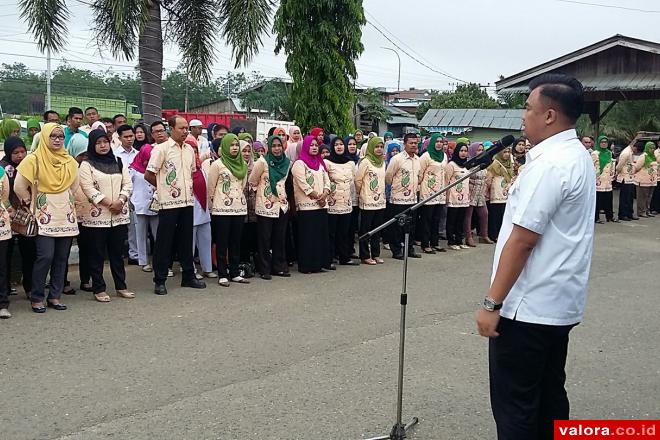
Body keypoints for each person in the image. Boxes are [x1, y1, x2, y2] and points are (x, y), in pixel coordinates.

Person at [476, 73, 595, 440]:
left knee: (517, 408)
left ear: (549, 116)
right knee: (548, 398)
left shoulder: (550, 164)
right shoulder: (576, 156)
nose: (522, 117)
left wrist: (491, 302)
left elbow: (522, 241)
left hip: (527, 310)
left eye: (528, 108)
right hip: (556, 305)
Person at [15, 122, 80, 313]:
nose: (58, 140)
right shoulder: (33, 160)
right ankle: (36, 297)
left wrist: (64, 199)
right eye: (53, 136)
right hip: (44, 213)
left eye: (60, 136)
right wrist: (30, 202)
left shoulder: (70, 161)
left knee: (62, 257)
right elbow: (19, 186)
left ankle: (55, 296)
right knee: (45, 256)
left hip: (65, 215)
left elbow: (75, 186)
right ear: (44, 137)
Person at [145, 117, 206, 295]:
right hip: (168, 203)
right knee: (165, 241)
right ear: (171, 128)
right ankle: (160, 279)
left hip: (187, 202)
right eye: (181, 128)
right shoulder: (161, 149)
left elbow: (192, 173)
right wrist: (164, 188)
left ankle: (188, 276)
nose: (185, 131)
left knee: (186, 240)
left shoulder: (188, 149)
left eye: (187, 128)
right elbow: (149, 175)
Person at [78, 129, 134, 302]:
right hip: (97, 217)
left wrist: (121, 200)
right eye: (98, 143)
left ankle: (121, 286)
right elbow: (88, 188)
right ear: (92, 145)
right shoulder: (87, 165)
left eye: (105, 142)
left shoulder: (118, 161)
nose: (102, 146)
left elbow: (127, 183)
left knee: (117, 253)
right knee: (96, 254)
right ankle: (99, 288)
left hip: (118, 215)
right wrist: (110, 203)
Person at [207, 133, 249, 286]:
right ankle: (222, 274)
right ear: (225, 146)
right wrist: (215, 203)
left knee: (236, 242)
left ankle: (235, 272)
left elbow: (242, 184)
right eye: (231, 145)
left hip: (238, 208)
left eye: (236, 145)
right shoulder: (217, 165)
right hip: (221, 209)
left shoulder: (243, 165)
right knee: (222, 242)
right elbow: (211, 187)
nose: (234, 148)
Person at [248, 135, 291, 279]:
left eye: (279, 145)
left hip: (281, 205)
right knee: (264, 238)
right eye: (274, 146)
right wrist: (263, 195)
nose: (277, 149)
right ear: (269, 147)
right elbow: (252, 181)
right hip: (265, 205)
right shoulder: (262, 162)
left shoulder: (287, 163)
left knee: (279, 238)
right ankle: (264, 269)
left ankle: (279, 266)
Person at [1, 137, 36, 301]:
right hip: (7, 217)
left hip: (26, 215)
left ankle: (30, 287)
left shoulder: (29, 167)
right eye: (16, 153)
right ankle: (5, 288)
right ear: (9, 152)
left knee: (29, 252)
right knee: (5, 255)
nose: (20, 155)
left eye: (23, 151)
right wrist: (10, 210)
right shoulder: (3, 169)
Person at [291, 135, 331, 273]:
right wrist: (316, 196)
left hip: (321, 204)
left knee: (320, 235)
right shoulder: (299, 163)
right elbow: (302, 183)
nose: (314, 147)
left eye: (316, 145)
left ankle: (319, 264)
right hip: (307, 206)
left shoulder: (320, 163)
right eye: (311, 145)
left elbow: (327, 180)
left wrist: (325, 194)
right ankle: (307, 265)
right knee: (308, 236)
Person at [385, 133, 421, 260]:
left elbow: (419, 177)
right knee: (397, 227)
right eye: (411, 143)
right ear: (405, 144)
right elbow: (388, 176)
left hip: (412, 198)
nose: (413, 145)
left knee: (411, 226)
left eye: (415, 143)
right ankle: (396, 250)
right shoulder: (397, 159)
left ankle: (409, 249)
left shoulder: (418, 159)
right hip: (398, 198)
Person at [325, 136, 358, 266]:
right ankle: (331, 257)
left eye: (341, 144)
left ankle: (344, 257)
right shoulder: (327, 162)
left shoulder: (350, 163)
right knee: (331, 232)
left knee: (344, 232)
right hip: (333, 202)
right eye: (336, 145)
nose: (339, 147)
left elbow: (354, 181)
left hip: (347, 201)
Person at [185, 135, 215, 280]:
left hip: (203, 211)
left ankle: (207, 268)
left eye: (195, 151)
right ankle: (190, 270)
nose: (194, 154)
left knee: (205, 240)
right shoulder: (183, 170)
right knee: (189, 244)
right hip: (189, 211)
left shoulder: (201, 168)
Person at [69, 134, 93, 293]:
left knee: (87, 249)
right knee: (62, 252)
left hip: (86, 213)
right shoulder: (65, 166)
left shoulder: (91, 166)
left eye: (86, 154)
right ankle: (63, 282)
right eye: (81, 155)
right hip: (68, 214)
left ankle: (85, 280)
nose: (84, 158)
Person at [356, 136, 386, 265]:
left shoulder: (382, 162)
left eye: (381, 147)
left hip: (380, 200)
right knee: (366, 229)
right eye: (376, 147)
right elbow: (358, 180)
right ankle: (364, 255)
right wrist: (362, 193)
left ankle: (376, 254)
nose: (379, 149)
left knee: (377, 229)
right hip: (367, 199)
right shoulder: (365, 162)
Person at [129, 144, 158, 272]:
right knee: (140, 234)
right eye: (146, 158)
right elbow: (128, 186)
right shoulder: (133, 169)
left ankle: (159, 259)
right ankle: (143, 261)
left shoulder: (156, 167)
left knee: (158, 234)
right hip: (139, 204)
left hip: (155, 205)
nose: (147, 161)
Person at [114, 124, 140, 264]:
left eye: (132, 136)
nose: (130, 139)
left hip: (136, 194)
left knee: (135, 226)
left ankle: (134, 254)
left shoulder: (138, 154)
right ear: (119, 138)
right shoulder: (115, 155)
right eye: (126, 137)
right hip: (120, 195)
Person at [418, 133, 447, 254]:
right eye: (437, 141)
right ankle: (425, 244)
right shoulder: (426, 156)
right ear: (432, 142)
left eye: (441, 141)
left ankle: (435, 243)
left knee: (436, 219)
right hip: (428, 192)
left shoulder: (444, 156)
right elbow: (420, 173)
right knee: (426, 219)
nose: (439, 144)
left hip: (440, 192)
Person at [464, 142, 491, 247]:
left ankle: (484, 235)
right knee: (468, 216)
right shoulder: (469, 163)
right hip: (471, 191)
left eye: (482, 150)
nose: (480, 152)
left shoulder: (483, 162)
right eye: (478, 150)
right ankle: (468, 237)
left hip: (480, 192)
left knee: (484, 214)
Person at [444, 142, 470, 250]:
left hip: (464, 197)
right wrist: (446, 196)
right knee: (452, 220)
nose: (463, 153)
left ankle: (459, 240)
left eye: (465, 151)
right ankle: (451, 241)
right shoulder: (451, 165)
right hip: (453, 196)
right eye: (461, 151)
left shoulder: (467, 165)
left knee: (461, 220)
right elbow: (446, 181)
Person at [486, 146, 513, 243]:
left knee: (503, 214)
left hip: (505, 193)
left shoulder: (510, 164)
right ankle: (493, 234)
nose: (506, 154)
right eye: (504, 152)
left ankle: (502, 234)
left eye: (508, 152)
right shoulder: (494, 164)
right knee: (495, 215)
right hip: (495, 193)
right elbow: (488, 179)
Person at [239, 139, 258, 272]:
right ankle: (242, 262)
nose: (246, 154)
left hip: (254, 209)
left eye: (248, 151)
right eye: (243, 151)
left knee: (254, 237)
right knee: (241, 237)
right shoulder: (235, 167)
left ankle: (253, 263)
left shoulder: (255, 166)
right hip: (240, 209)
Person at [592, 135, 617, 223]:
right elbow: (593, 166)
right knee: (598, 200)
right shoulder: (595, 153)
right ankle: (596, 218)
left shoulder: (609, 153)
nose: (604, 144)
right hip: (599, 179)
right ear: (599, 143)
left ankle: (609, 216)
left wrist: (612, 176)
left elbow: (611, 165)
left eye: (605, 142)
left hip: (608, 179)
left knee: (608, 198)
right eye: (602, 142)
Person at [633, 141, 657, 218]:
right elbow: (636, 167)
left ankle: (647, 210)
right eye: (651, 148)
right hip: (643, 180)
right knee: (642, 197)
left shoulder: (653, 156)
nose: (652, 149)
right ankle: (641, 211)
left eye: (654, 148)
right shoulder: (644, 156)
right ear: (647, 148)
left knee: (649, 197)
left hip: (651, 180)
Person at [615, 137, 637, 221]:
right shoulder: (626, 153)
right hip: (625, 177)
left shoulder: (630, 152)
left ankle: (629, 213)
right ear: (633, 146)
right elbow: (619, 166)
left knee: (630, 197)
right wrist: (617, 174)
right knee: (625, 197)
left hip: (630, 177)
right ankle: (623, 214)